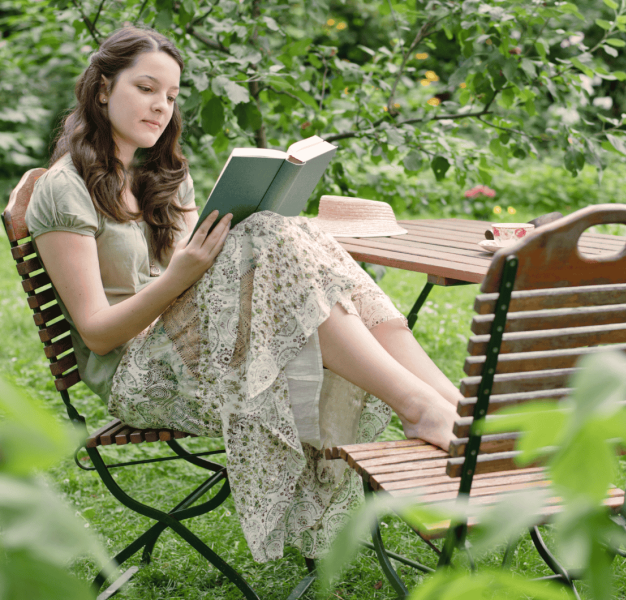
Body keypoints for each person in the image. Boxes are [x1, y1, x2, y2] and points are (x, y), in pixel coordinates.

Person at [26, 26, 460, 562]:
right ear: (102, 89)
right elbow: (95, 332)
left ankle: (451, 405)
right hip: (136, 374)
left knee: (288, 231)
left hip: (189, 346)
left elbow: (203, 286)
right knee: (272, 236)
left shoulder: (162, 177)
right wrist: (183, 274)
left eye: (171, 96)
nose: (160, 106)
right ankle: (422, 405)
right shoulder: (63, 190)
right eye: (145, 88)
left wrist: (213, 257)